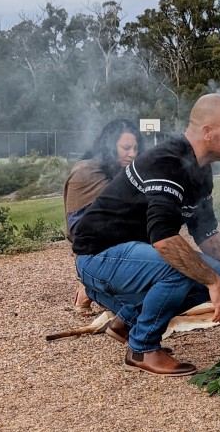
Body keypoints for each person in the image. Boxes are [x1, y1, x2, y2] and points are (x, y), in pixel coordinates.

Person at [72, 94, 220, 377]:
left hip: (131, 256)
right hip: (98, 256)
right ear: (208, 132)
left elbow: (206, 233)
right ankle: (142, 347)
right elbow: (164, 240)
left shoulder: (201, 170)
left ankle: (126, 323)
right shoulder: (167, 163)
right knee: (183, 268)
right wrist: (211, 281)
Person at [64, 119, 143, 315]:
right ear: (109, 145)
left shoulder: (124, 172)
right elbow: (78, 228)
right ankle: (89, 287)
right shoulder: (86, 173)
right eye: (126, 148)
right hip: (91, 245)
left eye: (135, 148)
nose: (132, 154)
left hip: (116, 238)